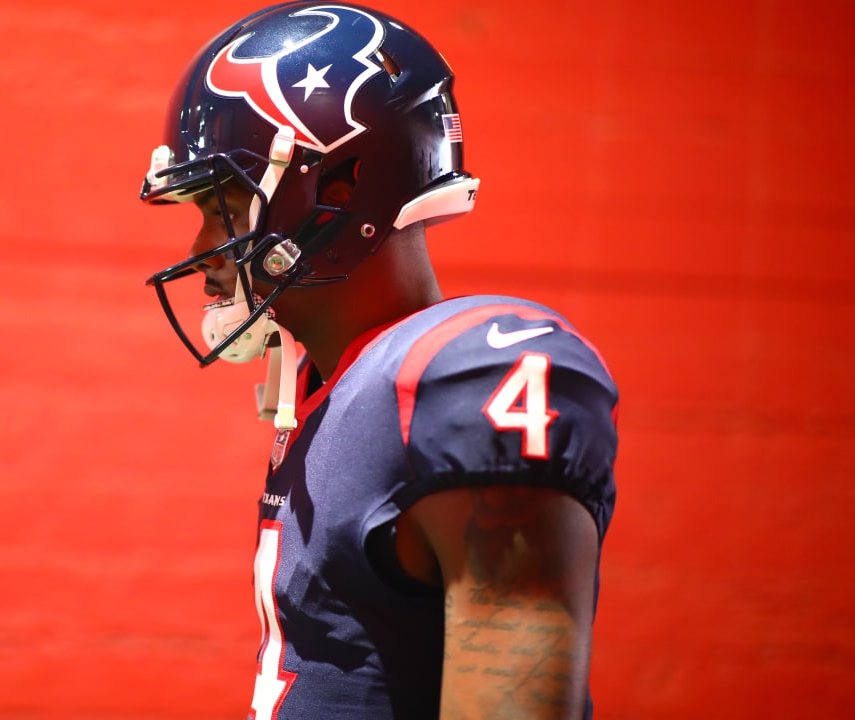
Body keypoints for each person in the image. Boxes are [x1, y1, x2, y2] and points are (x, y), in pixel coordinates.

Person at [140, 3, 618, 718]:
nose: (200, 250)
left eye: (223, 205)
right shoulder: (331, 386)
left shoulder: (462, 377)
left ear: (338, 187)